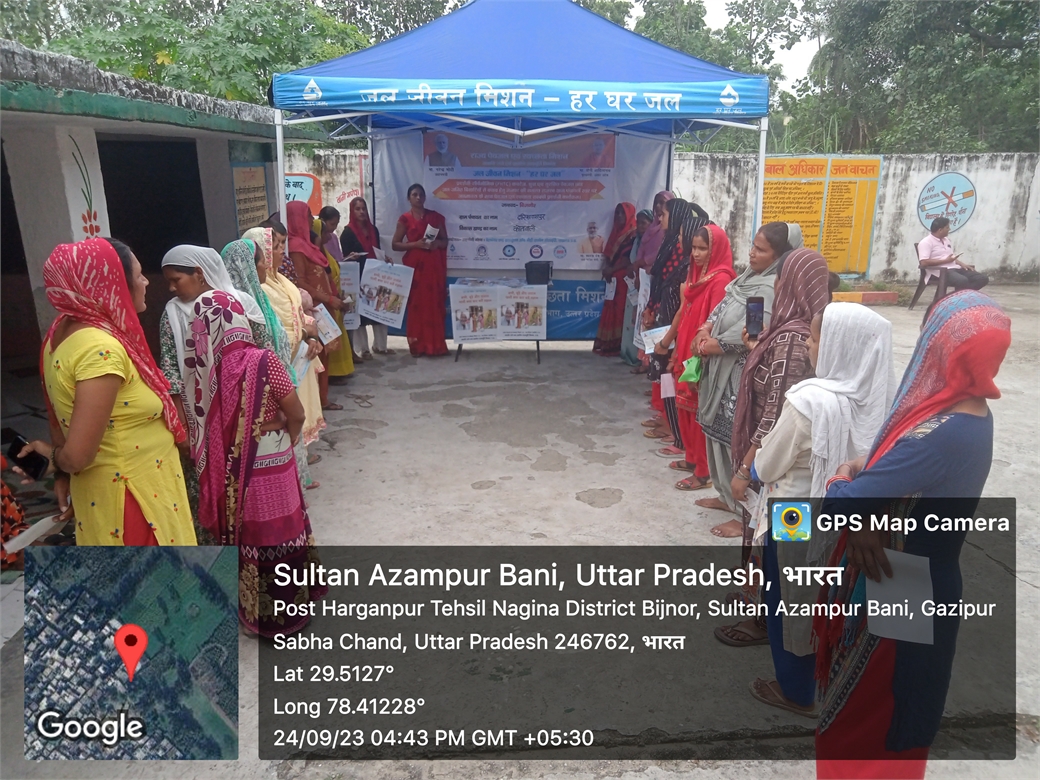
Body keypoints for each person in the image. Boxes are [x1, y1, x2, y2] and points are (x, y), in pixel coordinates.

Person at [813, 291, 1010, 777]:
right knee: (877, 718)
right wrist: (867, 502)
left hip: (902, 587)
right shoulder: (963, 414)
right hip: (916, 577)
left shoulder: (944, 433)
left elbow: (839, 503)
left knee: (870, 725)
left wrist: (845, 475)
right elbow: (888, 474)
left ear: (944, 350)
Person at [748, 303, 894, 718]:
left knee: (790, 595)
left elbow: (767, 466)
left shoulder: (808, 401)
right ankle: (831, 677)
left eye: (814, 339)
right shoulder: (883, 400)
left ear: (837, 346)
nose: (808, 346)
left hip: (794, 511)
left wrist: (753, 467)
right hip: (848, 513)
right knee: (827, 596)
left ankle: (795, 690)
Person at [22, 239, 197, 546]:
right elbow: (77, 455)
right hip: (134, 504)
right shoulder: (100, 349)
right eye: (138, 275)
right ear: (112, 284)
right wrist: (54, 458)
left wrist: (63, 472)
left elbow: (64, 416)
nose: (145, 282)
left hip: (114, 492)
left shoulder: (61, 331)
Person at [184, 290, 327, 635]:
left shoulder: (205, 374)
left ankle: (255, 614)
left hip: (231, 470)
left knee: (252, 532)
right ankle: (290, 610)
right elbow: (296, 412)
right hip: (270, 457)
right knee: (281, 527)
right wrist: (289, 433)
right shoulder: (263, 361)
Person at [714, 248, 830, 648]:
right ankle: (762, 606)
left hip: (780, 474)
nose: (776, 284)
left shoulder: (795, 339)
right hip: (784, 472)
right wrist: (755, 351)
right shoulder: (800, 334)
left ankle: (766, 620)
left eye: (782, 277)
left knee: (778, 553)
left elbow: (775, 414)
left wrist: (745, 469)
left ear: (792, 283)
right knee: (772, 548)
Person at [694, 223, 789, 534]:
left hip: (738, 373)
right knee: (714, 432)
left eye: (761, 250)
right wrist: (705, 328)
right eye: (753, 246)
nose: (752, 253)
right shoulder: (745, 280)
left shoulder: (769, 289)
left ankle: (742, 511)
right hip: (716, 369)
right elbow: (721, 307)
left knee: (732, 438)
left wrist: (714, 345)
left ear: (778, 256)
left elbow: (751, 332)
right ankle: (725, 495)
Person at [245, 226, 326, 490]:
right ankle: (290, 485)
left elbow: (298, 317)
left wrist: (311, 337)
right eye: (275, 246)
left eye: (282, 244)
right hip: (281, 365)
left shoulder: (280, 280)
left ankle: (300, 478)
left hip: (299, 358)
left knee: (297, 419)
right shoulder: (258, 290)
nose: (281, 251)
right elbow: (276, 333)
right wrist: (304, 333)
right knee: (287, 421)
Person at [667, 225, 736, 490]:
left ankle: (704, 472)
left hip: (700, 355)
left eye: (702, 248)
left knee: (698, 413)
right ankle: (692, 458)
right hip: (685, 351)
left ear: (715, 250)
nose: (696, 254)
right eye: (694, 248)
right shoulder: (696, 277)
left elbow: (714, 323)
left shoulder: (720, 281)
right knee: (684, 408)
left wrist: (699, 354)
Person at [646, 199, 708, 455]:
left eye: (664, 215)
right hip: (667, 324)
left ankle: (676, 432)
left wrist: (668, 337)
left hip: (675, 329)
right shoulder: (678, 255)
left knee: (671, 379)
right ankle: (669, 422)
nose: (661, 220)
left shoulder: (688, 265)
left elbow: (683, 306)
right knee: (664, 377)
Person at [285, 201, 347, 410]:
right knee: (315, 356)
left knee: (324, 355)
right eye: (308, 216)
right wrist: (328, 298)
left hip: (323, 308)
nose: (312, 220)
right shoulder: (296, 247)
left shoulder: (309, 245)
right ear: (297, 219)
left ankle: (322, 400)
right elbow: (300, 282)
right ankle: (316, 404)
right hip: (313, 310)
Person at [391, 183, 450, 357]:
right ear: (409, 198)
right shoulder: (405, 219)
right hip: (415, 270)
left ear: (424, 197)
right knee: (417, 306)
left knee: (434, 304)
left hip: (433, 269)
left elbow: (445, 241)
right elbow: (395, 244)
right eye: (414, 195)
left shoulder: (435, 217)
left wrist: (436, 244)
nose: (418, 198)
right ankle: (418, 346)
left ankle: (435, 345)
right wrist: (415, 244)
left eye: (421, 195)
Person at [340, 197, 395, 359]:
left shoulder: (373, 230)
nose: (362, 212)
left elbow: (376, 250)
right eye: (358, 209)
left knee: (379, 309)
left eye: (363, 208)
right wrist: (351, 257)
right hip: (358, 278)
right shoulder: (347, 233)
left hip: (375, 277)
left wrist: (385, 258)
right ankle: (363, 349)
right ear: (352, 211)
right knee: (360, 316)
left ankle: (380, 346)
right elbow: (344, 259)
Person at [633, 192, 674, 386]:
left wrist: (646, 265)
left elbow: (659, 260)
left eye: (663, 204)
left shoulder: (672, 240)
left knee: (664, 343)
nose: (658, 208)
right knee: (647, 322)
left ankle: (662, 389)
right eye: (656, 203)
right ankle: (649, 368)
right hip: (651, 286)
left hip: (667, 297)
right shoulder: (654, 230)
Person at [592, 202, 638, 357]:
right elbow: (608, 254)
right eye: (617, 213)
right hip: (612, 279)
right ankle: (608, 343)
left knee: (620, 311)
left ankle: (619, 344)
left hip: (624, 279)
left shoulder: (632, 234)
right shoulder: (616, 233)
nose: (619, 216)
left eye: (622, 213)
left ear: (630, 215)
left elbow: (627, 259)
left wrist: (611, 270)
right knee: (611, 308)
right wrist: (607, 269)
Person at [316, 207, 357, 377]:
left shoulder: (328, 244)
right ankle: (333, 373)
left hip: (333, 295)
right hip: (324, 299)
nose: (331, 234)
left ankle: (341, 370)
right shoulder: (312, 253)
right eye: (329, 227)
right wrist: (330, 297)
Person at [917, 216, 988, 291]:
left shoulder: (946, 240)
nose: (949, 229)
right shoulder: (926, 242)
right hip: (939, 272)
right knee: (962, 280)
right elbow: (923, 262)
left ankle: (961, 295)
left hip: (954, 268)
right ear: (940, 230)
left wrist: (962, 264)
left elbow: (951, 258)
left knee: (982, 278)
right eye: (947, 227)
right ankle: (959, 295)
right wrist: (945, 261)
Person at [620, 209, 653, 367]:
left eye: (644, 223)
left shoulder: (653, 241)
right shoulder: (636, 241)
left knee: (640, 319)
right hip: (633, 284)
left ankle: (640, 358)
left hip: (645, 285)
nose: (640, 226)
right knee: (631, 318)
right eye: (638, 223)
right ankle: (628, 353)